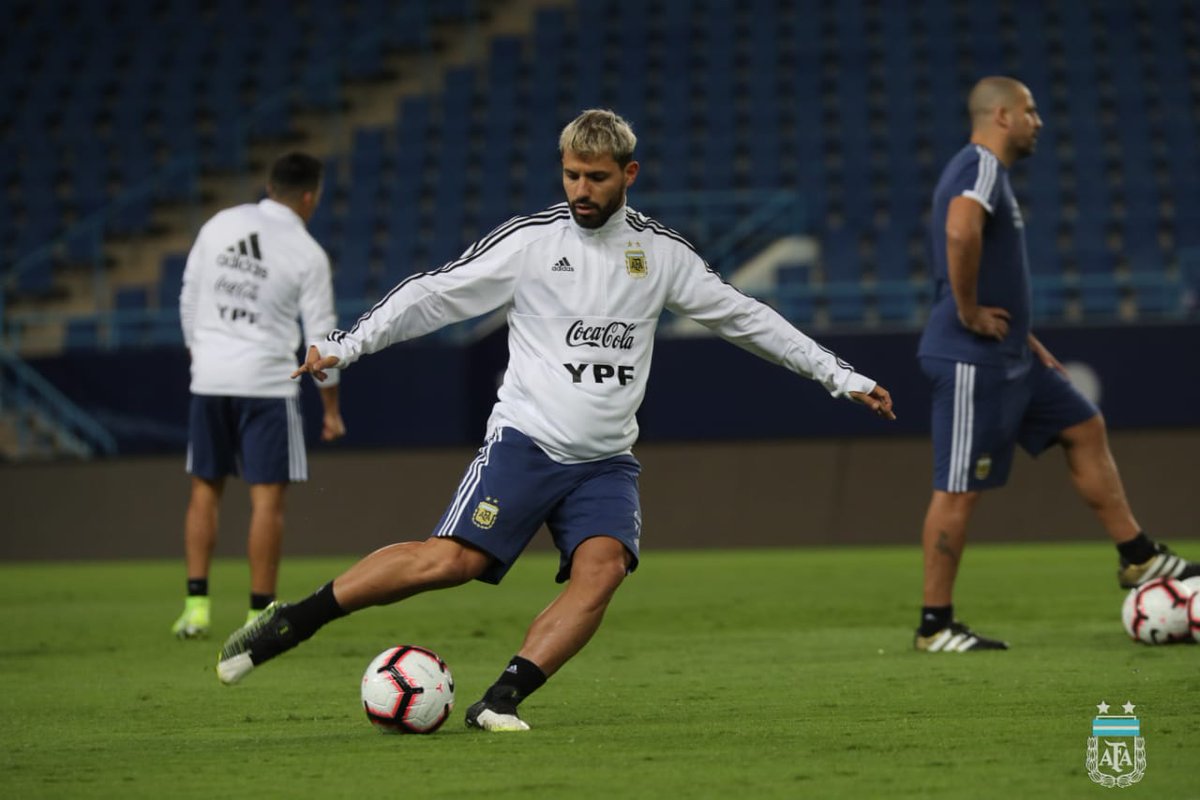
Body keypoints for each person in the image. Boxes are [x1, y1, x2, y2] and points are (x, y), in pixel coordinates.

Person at [215, 109, 895, 730]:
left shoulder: (661, 255)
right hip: (527, 441)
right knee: (450, 561)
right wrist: (349, 343)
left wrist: (841, 376)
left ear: (628, 174)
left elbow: (747, 318)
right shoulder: (531, 243)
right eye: (571, 175)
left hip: (606, 460)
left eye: (596, 177)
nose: (581, 190)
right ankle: (294, 620)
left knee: (605, 569)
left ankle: (499, 700)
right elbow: (433, 295)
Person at [913, 77, 1198, 652]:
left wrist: (1025, 336)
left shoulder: (989, 173)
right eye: (1030, 110)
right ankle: (935, 626)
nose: (1038, 121)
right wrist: (968, 313)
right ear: (1001, 116)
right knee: (959, 489)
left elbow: (985, 261)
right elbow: (959, 231)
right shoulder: (979, 165)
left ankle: (1138, 556)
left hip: (1012, 353)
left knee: (1082, 424)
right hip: (971, 359)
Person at [172, 152, 346, 639]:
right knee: (266, 502)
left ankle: (195, 608)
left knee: (204, 489)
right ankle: (258, 615)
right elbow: (321, 340)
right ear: (310, 196)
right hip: (267, 384)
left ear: (270, 186)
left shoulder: (219, 224)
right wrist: (331, 409)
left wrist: (201, 356)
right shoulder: (308, 253)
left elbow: (188, 298)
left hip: (210, 379)